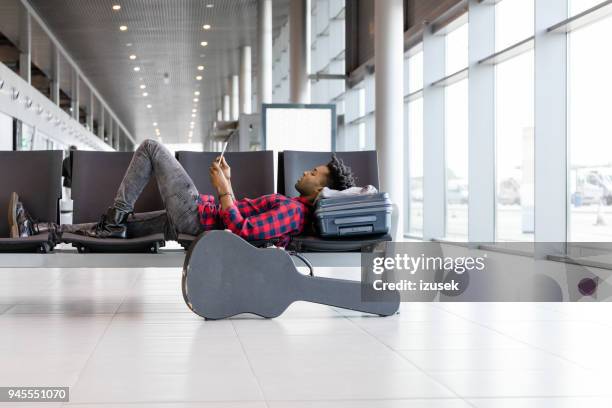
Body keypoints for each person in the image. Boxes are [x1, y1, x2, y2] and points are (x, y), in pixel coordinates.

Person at [8, 139, 356, 247]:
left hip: (196, 216)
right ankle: (43, 231)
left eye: (315, 173)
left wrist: (222, 192)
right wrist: (229, 185)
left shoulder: (294, 212)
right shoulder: (293, 208)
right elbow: (242, 220)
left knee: (150, 149)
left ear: (321, 190)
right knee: (114, 233)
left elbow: (243, 234)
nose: (308, 172)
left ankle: (113, 221)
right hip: (191, 225)